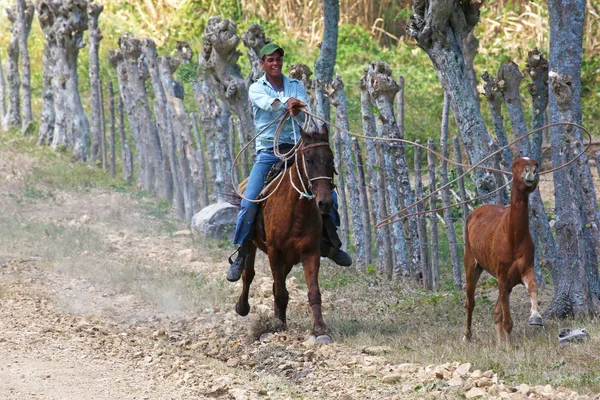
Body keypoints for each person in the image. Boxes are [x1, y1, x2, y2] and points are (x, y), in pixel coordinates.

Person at [226, 43, 352, 282]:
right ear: (262, 64)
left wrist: (298, 107)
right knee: (249, 201)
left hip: (297, 149)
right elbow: (268, 104)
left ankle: (330, 243)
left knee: (327, 193)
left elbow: (305, 110)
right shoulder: (256, 88)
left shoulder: (295, 85)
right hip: (268, 152)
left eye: (278, 60)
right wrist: (287, 104)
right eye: (270, 60)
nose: (275, 64)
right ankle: (242, 252)